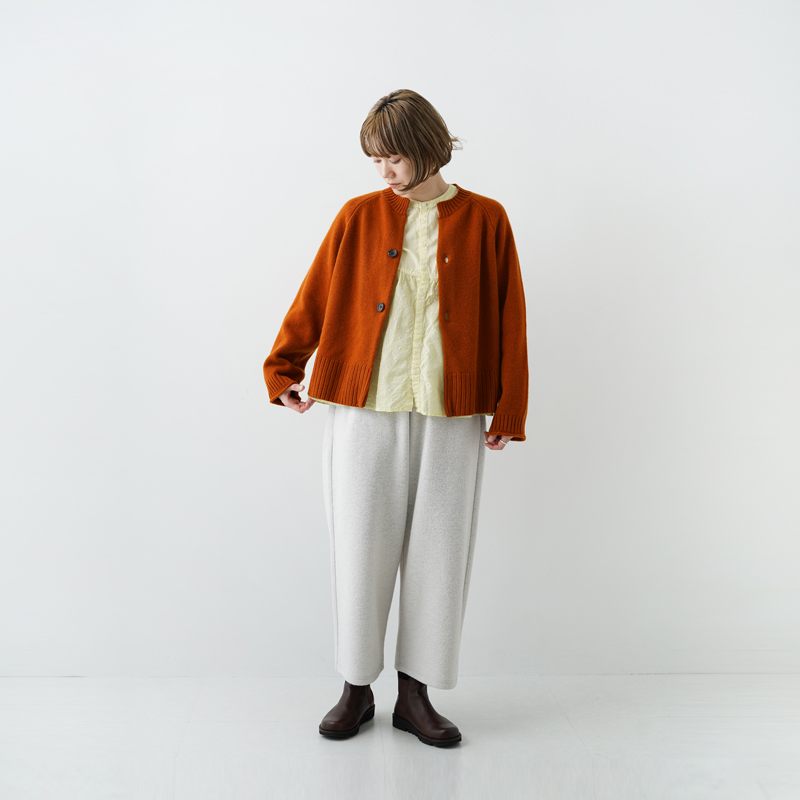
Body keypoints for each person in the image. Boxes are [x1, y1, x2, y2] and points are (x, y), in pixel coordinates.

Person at [262, 89, 528, 747]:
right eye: (376, 159)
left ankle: (415, 695)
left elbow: (510, 315)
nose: (384, 171)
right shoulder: (357, 216)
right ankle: (356, 689)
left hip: (450, 412)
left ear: (429, 148)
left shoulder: (487, 218)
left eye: (395, 158)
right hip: (364, 409)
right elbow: (315, 294)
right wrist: (283, 368)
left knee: (441, 553)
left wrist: (510, 406)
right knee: (359, 549)